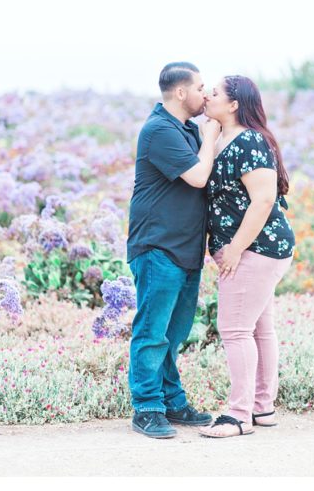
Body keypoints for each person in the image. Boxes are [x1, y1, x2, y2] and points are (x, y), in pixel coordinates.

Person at [126, 62, 221, 439]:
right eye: (200, 87)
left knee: (175, 332)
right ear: (181, 93)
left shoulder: (184, 129)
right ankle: (147, 408)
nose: (205, 93)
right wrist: (210, 138)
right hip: (158, 247)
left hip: (185, 249)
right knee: (152, 332)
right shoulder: (159, 130)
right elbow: (198, 176)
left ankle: (171, 400)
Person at [198, 75, 295, 438]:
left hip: (255, 248)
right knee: (259, 328)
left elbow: (264, 199)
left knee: (235, 329)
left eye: (215, 93)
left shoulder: (250, 140)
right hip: (256, 248)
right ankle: (262, 408)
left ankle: (238, 416)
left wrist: (235, 249)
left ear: (234, 104)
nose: (207, 95)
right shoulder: (225, 138)